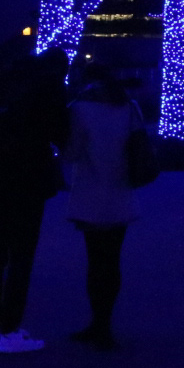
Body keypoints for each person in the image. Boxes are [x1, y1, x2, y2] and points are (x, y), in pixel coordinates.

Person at [0, 50, 69, 354]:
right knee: (22, 254)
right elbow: (60, 132)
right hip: (28, 175)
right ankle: (12, 331)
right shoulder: (47, 87)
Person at [66, 66, 142, 351]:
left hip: (90, 189)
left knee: (94, 259)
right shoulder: (128, 107)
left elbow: (72, 152)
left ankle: (96, 322)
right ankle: (106, 324)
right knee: (112, 260)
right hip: (120, 187)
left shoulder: (80, 109)